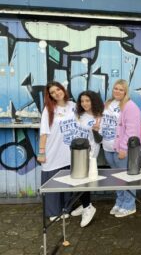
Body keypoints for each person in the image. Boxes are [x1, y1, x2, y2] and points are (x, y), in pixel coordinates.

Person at [101, 79, 141, 218]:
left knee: (127, 177)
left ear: (125, 92)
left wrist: (124, 148)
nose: (117, 91)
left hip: (122, 150)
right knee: (116, 178)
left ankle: (130, 205)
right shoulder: (107, 103)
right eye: (115, 88)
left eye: (121, 89)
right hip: (107, 147)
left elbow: (132, 130)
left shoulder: (130, 106)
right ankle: (120, 202)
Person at [38, 81, 76, 221]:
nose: (56, 93)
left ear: (63, 89)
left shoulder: (73, 106)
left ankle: (66, 208)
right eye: (52, 92)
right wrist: (41, 152)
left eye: (58, 90)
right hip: (53, 151)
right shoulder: (49, 110)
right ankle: (53, 211)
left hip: (69, 152)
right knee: (52, 182)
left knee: (67, 181)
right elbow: (44, 133)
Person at [70, 90, 104, 227]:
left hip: (89, 152)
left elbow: (99, 140)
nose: (84, 103)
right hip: (76, 151)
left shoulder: (99, 116)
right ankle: (85, 204)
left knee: (83, 179)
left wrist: (95, 130)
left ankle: (88, 208)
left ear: (93, 101)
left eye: (87, 101)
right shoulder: (79, 115)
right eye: (82, 101)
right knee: (78, 178)